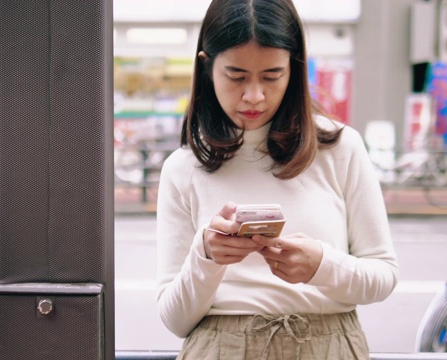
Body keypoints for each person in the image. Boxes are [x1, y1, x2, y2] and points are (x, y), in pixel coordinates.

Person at [155, 1, 399, 359]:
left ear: (294, 68)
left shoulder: (340, 148)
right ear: (206, 67)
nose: (254, 95)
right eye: (236, 76)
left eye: (272, 76)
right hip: (220, 349)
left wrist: (322, 265)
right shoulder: (183, 167)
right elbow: (174, 320)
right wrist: (206, 256)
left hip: (327, 345)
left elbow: (384, 275)